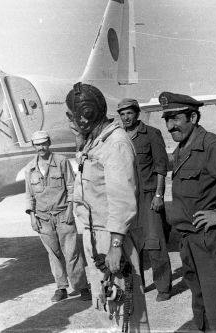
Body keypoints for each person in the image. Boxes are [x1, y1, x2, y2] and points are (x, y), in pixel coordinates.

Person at [160, 91, 216, 331]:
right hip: (190, 241)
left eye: (176, 118)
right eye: (166, 119)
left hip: (212, 240)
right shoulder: (182, 149)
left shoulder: (210, 145)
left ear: (193, 117)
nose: (170, 126)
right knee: (203, 304)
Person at [66, 83, 149, 332]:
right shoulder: (95, 142)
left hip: (113, 237)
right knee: (106, 305)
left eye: (73, 116)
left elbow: (122, 201)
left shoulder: (115, 144)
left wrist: (114, 247)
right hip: (96, 235)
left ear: (86, 114)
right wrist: (81, 140)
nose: (69, 122)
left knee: (127, 310)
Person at [25, 130, 91, 302]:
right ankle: (61, 287)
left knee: (72, 253)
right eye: (38, 144)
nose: (41, 147)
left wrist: (70, 210)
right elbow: (29, 194)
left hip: (63, 215)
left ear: (49, 142)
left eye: (44, 143)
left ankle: (82, 286)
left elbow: (71, 186)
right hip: (43, 218)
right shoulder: (30, 168)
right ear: (34, 146)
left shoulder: (61, 161)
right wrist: (32, 216)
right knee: (53, 254)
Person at [117, 98, 173, 302]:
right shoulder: (120, 137)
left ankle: (163, 287)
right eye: (122, 114)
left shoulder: (151, 134)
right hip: (127, 198)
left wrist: (159, 195)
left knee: (155, 243)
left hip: (149, 196)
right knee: (131, 244)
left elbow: (161, 167)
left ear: (137, 114)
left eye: (129, 113)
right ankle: (137, 285)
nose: (126, 117)